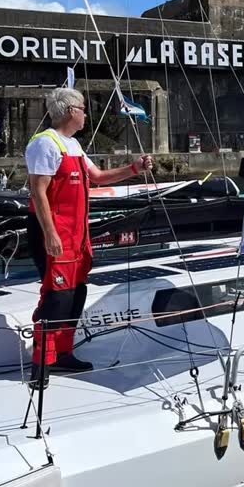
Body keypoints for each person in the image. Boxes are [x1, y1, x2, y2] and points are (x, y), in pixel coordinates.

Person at [25, 87, 153, 381]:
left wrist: (134, 168)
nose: (86, 114)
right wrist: (50, 234)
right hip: (55, 232)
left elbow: (97, 178)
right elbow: (38, 191)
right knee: (57, 297)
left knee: (76, 294)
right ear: (70, 111)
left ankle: (63, 354)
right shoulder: (46, 144)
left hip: (77, 236)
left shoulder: (74, 146)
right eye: (83, 108)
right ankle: (40, 363)